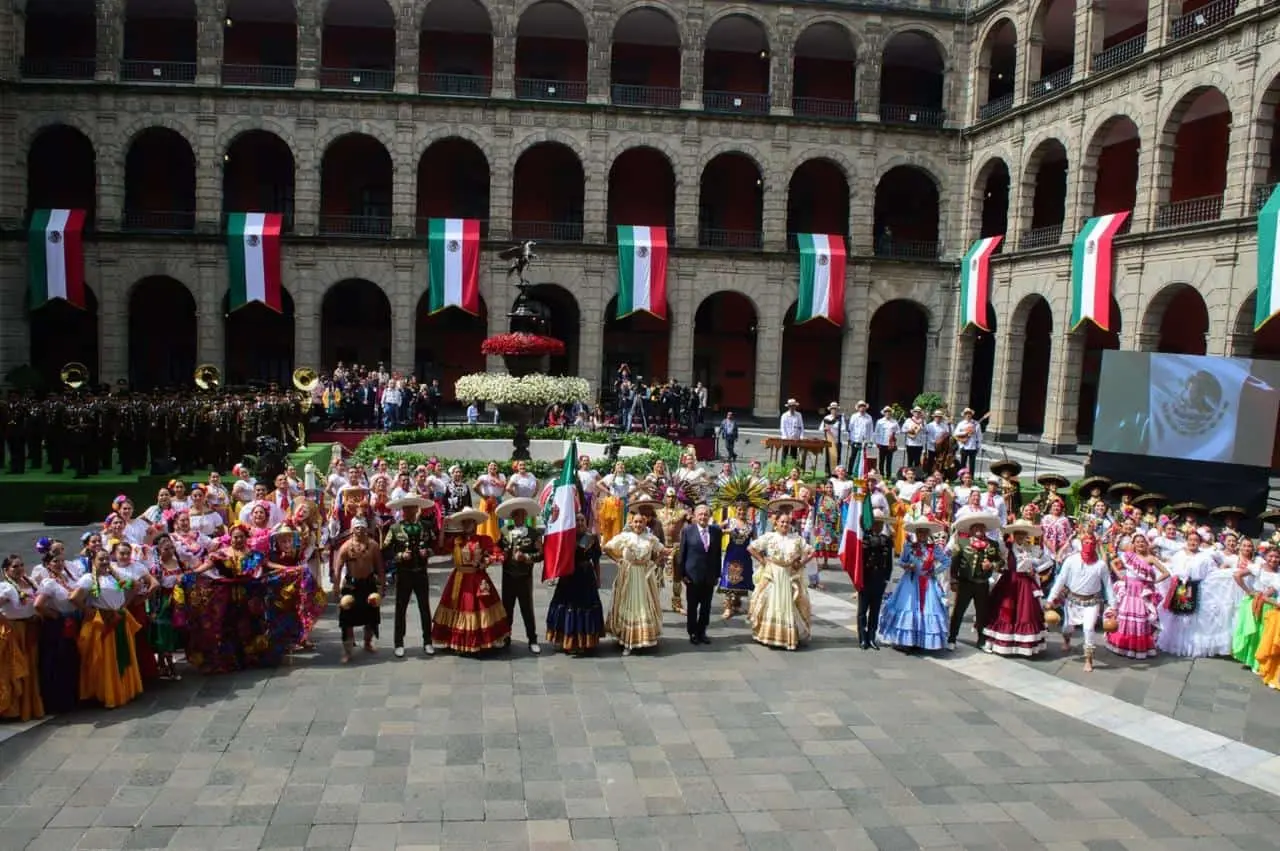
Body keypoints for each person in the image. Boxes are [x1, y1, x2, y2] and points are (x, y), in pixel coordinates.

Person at [431, 508, 510, 654]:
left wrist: (486, 561)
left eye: (470, 522)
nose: (467, 524)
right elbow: (440, 547)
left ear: (475, 524)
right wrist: (443, 528)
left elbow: (498, 554)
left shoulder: (483, 539)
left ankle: (481, 641)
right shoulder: (456, 541)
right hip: (459, 579)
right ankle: (457, 640)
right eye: (465, 522)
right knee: (459, 607)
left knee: (478, 608)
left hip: (477, 578)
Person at [746, 504, 814, 651]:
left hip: (788, 576)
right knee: (770, 604)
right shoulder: (770, 537)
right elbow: (751, 547)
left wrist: (800, 563)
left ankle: (787, 636)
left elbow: (811, 551)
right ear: (775, 523)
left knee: (790, 604)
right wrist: (763, 561)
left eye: (787, 522)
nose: (785, 524)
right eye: (782, 522)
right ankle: (768, 635)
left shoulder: (795, 538)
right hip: (773, 574)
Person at [1047, 532, 1115, 672]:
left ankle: (1088, 659)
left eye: (1092, 543)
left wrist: (1113, 606)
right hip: (1072, 601)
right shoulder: (1071, 560)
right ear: (1081, 544)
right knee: (1067, 628)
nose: (1089, 545)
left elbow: (1108, 585)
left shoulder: (1101, 565)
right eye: (1086, 542)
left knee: (1088, 628)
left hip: (1092, 601)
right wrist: (1050, 599)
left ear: (1095, 545)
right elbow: (1061, 580)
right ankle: (1067, 640)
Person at [983, 519, 1050, 657]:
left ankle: (1023, 645)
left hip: (1025, 583)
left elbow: (1048, 562)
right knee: (1005, 612)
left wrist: (1035, 570)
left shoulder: (1032, 549)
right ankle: (1003, 643)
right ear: (1013, 534)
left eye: (1023, 533)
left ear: (1027, 535)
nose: (1020, 536)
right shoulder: (1006, 547)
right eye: (1018, 533)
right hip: (1009, 582)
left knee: (1025, 613)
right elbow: (996, 551)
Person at [603, 508, 665, 655]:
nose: (638, 525)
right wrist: (618, 560)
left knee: (643, 605)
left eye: (641, 522)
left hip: (644, 578)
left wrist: (654, 562)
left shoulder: (650, 538)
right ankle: (628, 641)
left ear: (645, 523)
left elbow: (662, 550)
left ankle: (643, 639)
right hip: (629, 577)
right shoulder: (625, 537)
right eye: (636, 522)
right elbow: (606, 548)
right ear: (631, 523)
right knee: (628, 605)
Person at [383, 496, 439, 658]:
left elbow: (435, 546)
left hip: (421, 571)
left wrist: (427, 552)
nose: (409, 511)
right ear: (402, 510)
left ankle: (427, 641)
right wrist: (399, 556)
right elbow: (385, 551)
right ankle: (398, 643)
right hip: (404, 573)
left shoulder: (425, 526)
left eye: (412, 508)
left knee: (424, 607)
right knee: (401, 608)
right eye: (406, 508)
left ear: (417, 509)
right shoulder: (394, 528)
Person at [545, 513, 606, 654]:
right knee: (567, 606)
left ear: (586, 522)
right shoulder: (567, 536)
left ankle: (586, 642)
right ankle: (567, 640)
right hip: (569, 576)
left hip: (586, 576)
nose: (579, 523)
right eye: (576, 520)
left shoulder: (591, 538)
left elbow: (596, 560)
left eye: (582, 520)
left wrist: (598, 578)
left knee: (586, 607)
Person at [1108, 533, 1169, 659]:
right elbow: (1113, 563)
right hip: (1128, 591)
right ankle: (1122, 645)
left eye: (1143, 542)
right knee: (1124, 617)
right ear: (1133, 544)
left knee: (1141, 619)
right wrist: (1120, 576)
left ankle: (1137, 647)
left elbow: (1166, 573)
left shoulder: (1150, 558)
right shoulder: (1128, 556)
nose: (1140, 544)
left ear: (1146, 544)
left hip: (1141, 593)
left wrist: (1154, 581)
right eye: (1137, 542)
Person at [947, 513, 1002, 651]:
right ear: (971, 530)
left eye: (982, 527)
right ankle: (952, 638)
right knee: (959, 612)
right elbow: (954, 563)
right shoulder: (962, 542)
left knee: (982, 613)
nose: (979, 529)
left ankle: (981, 640)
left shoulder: (993, 544)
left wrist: (992, 565)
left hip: (982, 584)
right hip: (965, 583)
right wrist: (953, 580)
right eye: (976, 527)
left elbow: (1001, 561)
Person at [334, 518, 385, 663]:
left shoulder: (373, 546)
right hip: (351, 586)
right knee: (347, 619)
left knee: (371, 616)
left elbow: (380, 568)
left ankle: (368, 643)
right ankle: (348, 650)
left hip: (369, 585)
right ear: (351, 530)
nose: (360, 530)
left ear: (367, 529)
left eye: (363, 527)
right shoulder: (345, 547)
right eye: (357, 527)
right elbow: (337, 569)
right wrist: (336, 587)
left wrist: (382, 587)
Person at [496, 498, 543, 655]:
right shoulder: (505, 531)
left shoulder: (533, 533)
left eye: (521, 515)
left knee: (527, 609)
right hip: (508, 575)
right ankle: (506, 637)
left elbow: (540, 555)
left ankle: (532, 639)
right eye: (515, 515)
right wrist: (501, 555)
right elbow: (496, 549)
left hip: (524, 576)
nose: (518, 518)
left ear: (525, 516)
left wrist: (526, 558)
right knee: (507, 608)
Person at [0, 554, 43, 721]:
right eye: (14, 566)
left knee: (31, 665)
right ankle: (13, 709)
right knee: (15, 667)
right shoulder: (6, 587)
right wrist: (6, 623)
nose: (19, 569)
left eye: (21, 565)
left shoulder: (30, 583)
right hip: (14, 630)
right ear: (6, 571)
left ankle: (31, 706)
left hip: (30, 627)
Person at [679, 504, 722, 646]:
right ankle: (692, 632)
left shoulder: (716, 531)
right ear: (695, 516)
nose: (703, 517)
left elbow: (717, 555)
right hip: (692, 576)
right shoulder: (688, 531)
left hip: (709, 576)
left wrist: (717, 574)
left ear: (709, 516)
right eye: (700, 514)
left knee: (706, 606)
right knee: (692, 607)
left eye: (705, 514)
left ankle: (702, 631)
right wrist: (682, 574)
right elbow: (682, 553)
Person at [857, 509, 894, 650]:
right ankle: (862, 637)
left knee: (875, 610)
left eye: (880, 523)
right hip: (866, 578)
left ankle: (872, 637)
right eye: (875, 523)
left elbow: (889, 563)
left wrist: (887, 579)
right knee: (862, 611)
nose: (878, 526)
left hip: (879, 579)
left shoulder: (886, 540)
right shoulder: (864, 539)